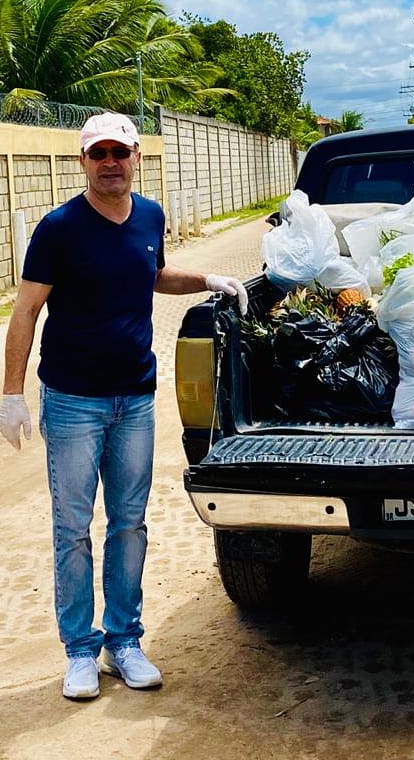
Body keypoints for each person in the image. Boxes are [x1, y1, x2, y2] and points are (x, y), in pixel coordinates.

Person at [0, 112, 248, 700]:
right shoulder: (58, 229)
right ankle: (80, 650)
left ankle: (124, 640)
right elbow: (27, 310)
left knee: (129, 524)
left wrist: (211, 279)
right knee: (72, 528)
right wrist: (12, 393)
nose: (111, 161)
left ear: (137, 156)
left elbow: (153, 275)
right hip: (72, 402)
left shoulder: (152, 216)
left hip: (136, 397)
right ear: (83, 161)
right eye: (99, 153)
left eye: (121, 151)